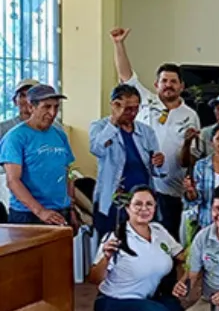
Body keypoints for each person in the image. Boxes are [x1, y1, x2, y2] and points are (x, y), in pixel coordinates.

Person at [110, 27, 201, 238]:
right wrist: (118, 44)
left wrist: (187, 144)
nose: (168, 85)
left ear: (181, 86)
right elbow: (126, 75)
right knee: (133, 238)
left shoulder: (190, 115)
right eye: (164, 81)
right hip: (138, 187)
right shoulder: (144, 101)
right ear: (156, 84)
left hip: (171, 191)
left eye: (173, 81)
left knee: (166, 240)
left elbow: (189, 161)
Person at [89, 186, 185, 311]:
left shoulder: (159, 231)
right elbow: (94, 278)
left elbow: (181, 256)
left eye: (149, 204)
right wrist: (106, 257)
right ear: (128, 208)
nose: (144, 209)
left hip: (144, 299)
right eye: (138, 204)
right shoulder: (116, 237)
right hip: (114, 301)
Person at [90, 84, 163, 237]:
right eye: (127, 108)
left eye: (136, 108)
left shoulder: (146, 131)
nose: (132, 113)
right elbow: (97, 149)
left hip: (142, 199)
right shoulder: (100, 127)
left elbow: (158, 172)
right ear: (114, 105)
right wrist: (114, 121)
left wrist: (158, 163)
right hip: (113, 200)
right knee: (110, 244)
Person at [0, 84, 77, 226]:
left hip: (60, 211)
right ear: (31, 107)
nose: (52, 113)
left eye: (56, 107)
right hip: (28, 214)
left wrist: (71, 207)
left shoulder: (60, 135)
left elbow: (67, 172)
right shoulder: (15, 137)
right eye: (46, 107)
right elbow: (13, 181)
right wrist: (40, 211)